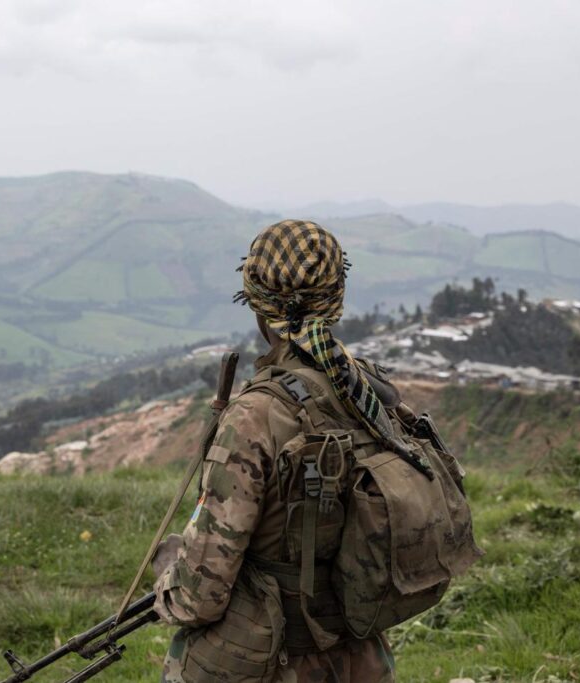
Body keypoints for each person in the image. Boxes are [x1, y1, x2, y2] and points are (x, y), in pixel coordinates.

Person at [152, 219, 419, 682]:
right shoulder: (370, 392)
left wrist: (168, 576)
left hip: (274, 660)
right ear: (335, 299)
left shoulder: (255, 415)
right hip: (363, 658)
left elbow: (200, 599)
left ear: (258, 306)